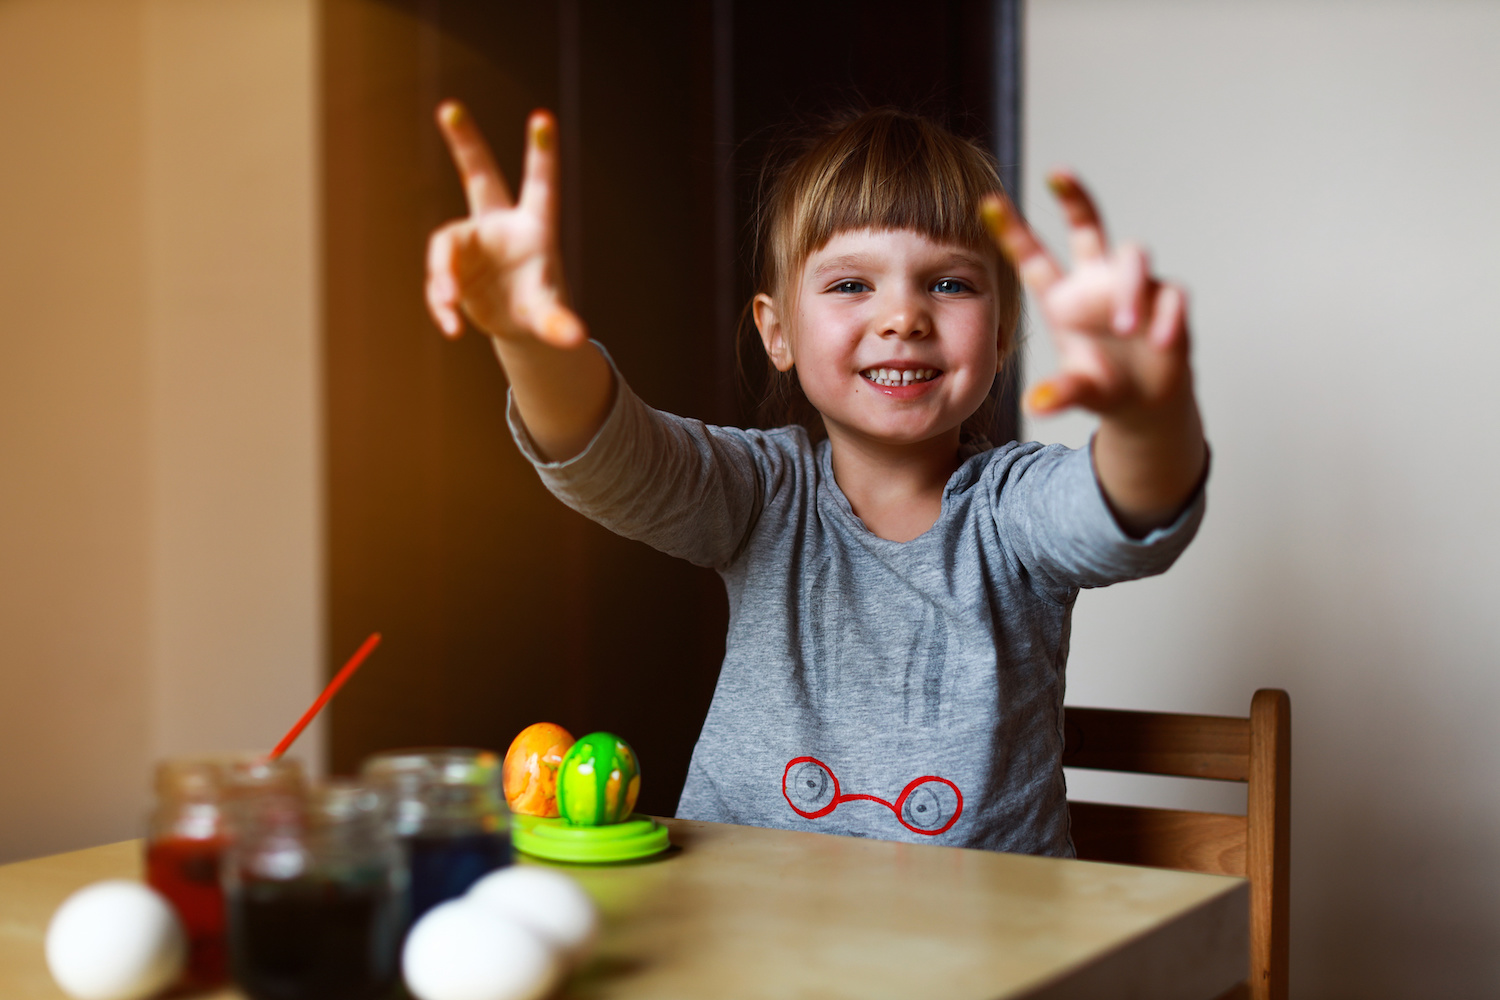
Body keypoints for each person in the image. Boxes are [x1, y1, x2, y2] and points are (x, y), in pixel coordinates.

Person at [424, 102, 1207, 856]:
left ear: (1002, 335)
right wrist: (526, 338)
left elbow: (1125, 511)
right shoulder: (761, 493)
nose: (903, 315)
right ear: (778, 332)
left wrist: (1147, 415)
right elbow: (613, 458)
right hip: (750, 931)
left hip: (988, 951)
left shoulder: (1013, 509)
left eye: (949, 284)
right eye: (850, 285)